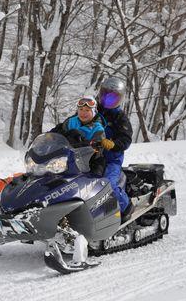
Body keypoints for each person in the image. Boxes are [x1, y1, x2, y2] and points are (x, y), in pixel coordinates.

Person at [96, 77, 134, 222]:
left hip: (111, 160)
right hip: (88, 156)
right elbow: (74, 123)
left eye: (113, 97)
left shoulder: (120, 117)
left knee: (107, 184)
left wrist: (113, 144)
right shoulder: (92, 110)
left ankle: (127, 207)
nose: (108, 100)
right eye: (106, 95)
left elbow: (126, 139)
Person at [50, 95, 106, 175]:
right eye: (81, 109)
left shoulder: (98, 129)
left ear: (93, 112)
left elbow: (98, 148)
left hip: (90, 161)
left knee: (95, 175)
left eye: (87, 110)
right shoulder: (70, 122)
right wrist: (49, 137)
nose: (83, 113)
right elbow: (57, 133)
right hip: (65, 158)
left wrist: (84, 142)